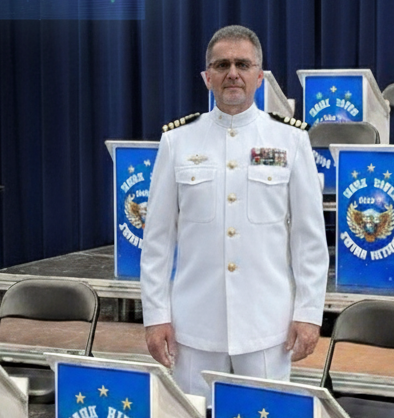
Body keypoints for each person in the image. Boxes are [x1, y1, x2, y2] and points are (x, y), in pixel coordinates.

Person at [141, 24, 329, 398]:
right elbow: (158, 240)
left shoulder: (290, 140)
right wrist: (155, 315)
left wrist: (308, 313)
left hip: (267, 323)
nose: (232, 73)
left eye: (243, 64)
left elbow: (308, 238)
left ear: (260, 76)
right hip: (194, 322)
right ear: (206, 76)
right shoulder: (177, 141)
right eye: (222, 64)